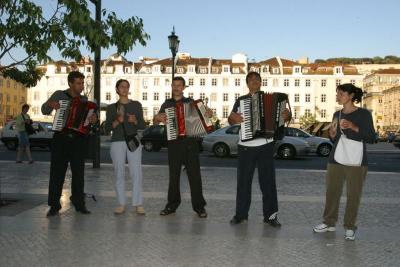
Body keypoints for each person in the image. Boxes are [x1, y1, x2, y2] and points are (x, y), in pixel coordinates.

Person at [313, 83, 375, 241]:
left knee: (353, 194)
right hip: (335, 158)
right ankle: (329, 222)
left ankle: (349, 226)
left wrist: (354, 127)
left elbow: (371, 138)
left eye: (341, 93)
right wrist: (332, 134)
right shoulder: (336, 114)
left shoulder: (363, 114)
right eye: (337, 94)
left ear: (351, 96)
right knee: (332, 192)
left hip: (357, 160)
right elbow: (335, 139)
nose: (338, 96)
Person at [228, 71, 291, 226]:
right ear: (247, 83)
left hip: (266, 145)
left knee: (268, 182)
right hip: (245, 147)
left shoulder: (274, 99)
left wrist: (287, 115)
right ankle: (241, 215)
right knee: (243, 183)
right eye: (251, 79)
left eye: (257, 79)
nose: (254, 81)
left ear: (261, 82)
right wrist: (233, 119)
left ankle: (270, 216)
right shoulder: (241, 100)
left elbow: (284, 119)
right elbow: (231, 120)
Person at [153, 76, 211, 218]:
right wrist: (157, 118)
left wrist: (208, 113)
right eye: (174, 85)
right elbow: (156, 122)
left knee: (194, 176)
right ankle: (171, 205)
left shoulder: (191, 103)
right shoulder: (167, 104)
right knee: (174, 176)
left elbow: (207, 119)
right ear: (171, 87)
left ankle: (199, 207)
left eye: (179, 85)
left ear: (184, 88)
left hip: (191, 142)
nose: (176, 87)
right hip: (173, 142)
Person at [41, 71, 98, 217]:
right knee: (57, 173)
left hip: (78, 140)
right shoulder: (60, 95)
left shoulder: (85, 100)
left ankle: (79, 203)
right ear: (70, 83)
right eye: (79, 83)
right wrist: (50, 104)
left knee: (79, 174)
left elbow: (90, 120)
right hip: (61, 138)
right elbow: (44, 110)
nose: (81, 86)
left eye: (82, 83)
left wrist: (93, 119)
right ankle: (54, 205)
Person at [105, 79, 146, 215]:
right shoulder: (111, 107)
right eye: (121, 87)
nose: (124, 89)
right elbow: (106, 128)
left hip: (133, 141)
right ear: (117, 89)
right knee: (119, 173)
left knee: (136, 173)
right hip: (117, 141)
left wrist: (135, 121)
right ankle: (121, 203)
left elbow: (142, 126)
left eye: (126, 87)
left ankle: (138, 203)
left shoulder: (136, 105)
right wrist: (118, 121)